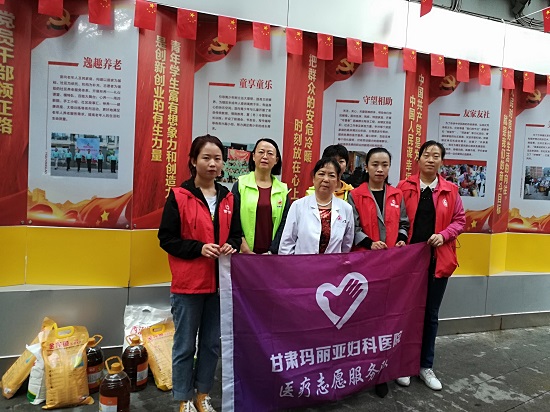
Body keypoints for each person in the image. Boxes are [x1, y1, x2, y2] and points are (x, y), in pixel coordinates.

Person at [158, 135, 242, 412]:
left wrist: (231, 245)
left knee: (210, 345)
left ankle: (202, 395)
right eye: (206, 158)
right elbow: (166, 239)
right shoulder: (179, 196)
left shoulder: (229, 197)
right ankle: (184, 399)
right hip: (188, 286)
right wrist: (198, 248)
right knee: (184, 346)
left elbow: (237, 234)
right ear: (193, 161)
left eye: (217, 158)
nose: (212, 163)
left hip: (219, 286)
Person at [396, 140, 465, 391]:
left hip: (437, 261)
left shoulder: (451, 190)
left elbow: (460, 221)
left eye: (436, 156)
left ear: (441, 162)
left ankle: (425, 366)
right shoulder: (403, 187)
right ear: (418, 159)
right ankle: (404, 365)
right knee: (405, 313)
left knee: (430, 315)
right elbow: (396, 220)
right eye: (426, 154)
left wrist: (444, 235)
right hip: (408, 263)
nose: (431, 159)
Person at [347, 147, 409, 398]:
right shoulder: (355, 195)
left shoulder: (397, 194)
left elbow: (404, 223)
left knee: (387, 318)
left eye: (384, 165)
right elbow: (352, 227)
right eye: (375, 164)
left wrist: (402, 239)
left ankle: (381, 372)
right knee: (364, 319)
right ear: (367, 166)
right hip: (366, 265)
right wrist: (369, 243)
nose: (380, 169)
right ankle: (360, 369)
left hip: (392, 266)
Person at [279, 157, 354, 255]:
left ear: (337, 181)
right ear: (314, 178)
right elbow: (287, 244)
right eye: (321, 174)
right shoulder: (298, 206)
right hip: (302, 263)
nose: (326, 179)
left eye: (331, 175)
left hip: (332, 263)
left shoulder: (346, 209)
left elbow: (346, 245)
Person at [231, 138, 289, 255]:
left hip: (271, 256)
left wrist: (272, 251)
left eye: (270, 153)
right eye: (261, 152)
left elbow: (285, 224)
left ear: (276, 160)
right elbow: (233, 219)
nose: (265, 156)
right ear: (253, 156)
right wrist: (245, 248)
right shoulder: (241, 184)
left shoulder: (283, 189)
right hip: (243, 253)